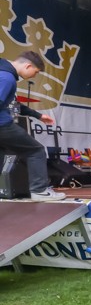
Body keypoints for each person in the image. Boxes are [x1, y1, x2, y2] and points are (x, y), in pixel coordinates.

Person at [0, 51, 65, 201]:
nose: (34, 76)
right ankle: (40, 191)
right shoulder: (7, 78)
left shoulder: (4, 74)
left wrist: (39, 116)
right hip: (2, 125)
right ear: (28, 65)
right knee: (36, 151)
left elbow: (12, 104)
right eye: (35, 72)